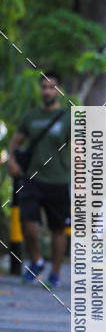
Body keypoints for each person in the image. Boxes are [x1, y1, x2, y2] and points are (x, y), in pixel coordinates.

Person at [7, 72, 71, 289]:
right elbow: (16, 142)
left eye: (52, 87)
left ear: (59, 90)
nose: (47, 91)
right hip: (32, 178)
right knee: (27, 220)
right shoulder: (31, 117)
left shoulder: (67, 119)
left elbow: (80, 148)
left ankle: (55, 273)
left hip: (59, 180)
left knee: (58, 229)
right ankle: (37, 260)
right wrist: (11, 160)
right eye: (44, 87)